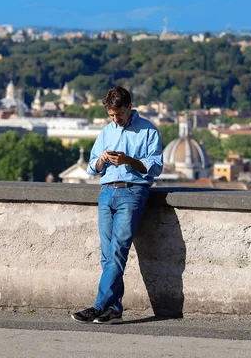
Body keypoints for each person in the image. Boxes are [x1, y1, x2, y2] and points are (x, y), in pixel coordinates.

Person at [71, 86, 163, 324]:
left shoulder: (148, 131)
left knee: (118, 251)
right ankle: (113, 308)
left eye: (118, 114)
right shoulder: (106, 132)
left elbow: (155, 166)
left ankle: (98, 306)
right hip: (106, 193)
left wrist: (128, 161)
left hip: (132, 193)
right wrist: (101, 160)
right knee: (106, 254)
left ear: (129, 107)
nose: (115, 119)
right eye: (111, 115)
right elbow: (91, 167)